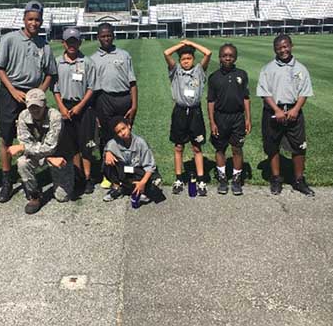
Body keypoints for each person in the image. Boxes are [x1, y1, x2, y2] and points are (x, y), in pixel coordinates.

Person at [0, 1, 57, 203]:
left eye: (37, 19)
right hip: (10, 93)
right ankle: (6, 181)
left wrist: (39, 92)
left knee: (32, 137)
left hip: (33, 96)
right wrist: (12, 90)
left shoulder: (44, 45)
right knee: (6, 137)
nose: (34, 23)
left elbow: (50, 73)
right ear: (24, 19)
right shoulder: (10, 39)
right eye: (30, 19)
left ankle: (29, 177)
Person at [257, 34, 314, 196]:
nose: (283, 50)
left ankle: (299, 180)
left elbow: (304, 92)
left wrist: (296, 109)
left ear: (291, 45)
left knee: (299, 147)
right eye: (279, 48)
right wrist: (276, 109)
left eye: (286, 46)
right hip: (273, 111)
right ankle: (276, 178)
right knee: (273, 145)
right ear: (275, 49)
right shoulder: (267, 69)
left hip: (294, 112)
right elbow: (264, 93)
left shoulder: (301, 68)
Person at [7, 89, 74, 214]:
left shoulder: (54, 116)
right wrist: (47, 158)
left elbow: (50, 147)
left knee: (62, 197)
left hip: (60, 155)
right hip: (45, 156)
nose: (35, 110)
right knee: (22, 162)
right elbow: (24, 141)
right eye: (32, 107)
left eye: (38, 106)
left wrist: (24, 148)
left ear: (45, 104)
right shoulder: (23, 116)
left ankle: (65, 174)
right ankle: (34, 195)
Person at [91, 22, 137, 188]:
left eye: (109, 35)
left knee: (126, 137)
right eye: (103, 36)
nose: (106, 39)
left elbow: (132, 82)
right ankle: (108, 175)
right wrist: (95, 112)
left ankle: (129, 173)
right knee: (106, 138)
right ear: (98, 38)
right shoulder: (93, 59)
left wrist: (134, 105)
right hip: (105, 99)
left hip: (124, 99)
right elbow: (93, 89)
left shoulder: (124, 55)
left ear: (113, 35)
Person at [163, 39, 212, 196]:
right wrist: (182, 45)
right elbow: (166, 53)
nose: (186, 61)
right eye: (183, 59)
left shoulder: (199, 70)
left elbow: (208, 53)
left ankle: (201, 179)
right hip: (179, 112)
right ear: (179, 61)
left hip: (195, 113)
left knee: (197, 147)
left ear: (193, 59)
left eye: (189, 58)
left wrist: (191, 44)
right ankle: (178, 178)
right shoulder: (175, 70)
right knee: (178, 146)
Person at [53, 27, 97, 194]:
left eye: (75, 42)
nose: (72, 45)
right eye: (69, 42)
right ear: (63, 43)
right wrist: (62, 107)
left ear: (80, 42)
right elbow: (55, 88)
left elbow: (91, 87)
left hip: (83, 107)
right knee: (72, 147)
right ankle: (77, 177)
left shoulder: (87, 62)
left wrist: (80, 106)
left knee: (85, 144)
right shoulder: (57, 62)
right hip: (65, 107)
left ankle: (87, 178)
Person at [207, 43, 251, 195]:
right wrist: (212, 122)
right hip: (220, 117)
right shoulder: (213, 78)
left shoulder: (242, 74)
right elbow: (210, 102)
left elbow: (246, 98)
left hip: (237, 117)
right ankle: (222, 179)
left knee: (237, 149)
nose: (227, 58)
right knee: (220, 149)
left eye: (231, 55)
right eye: (224, 55)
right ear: (219, 57)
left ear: (235, 57)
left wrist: (248, 119)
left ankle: (237, 180)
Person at [102, 116, 161, 204]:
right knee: (107, 164)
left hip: (138, 171)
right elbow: (108, 148)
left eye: (123, 128)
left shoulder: (140, 143)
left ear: (129, 126)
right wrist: (107, 153)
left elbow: (150, 167)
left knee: (152, 187)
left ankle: (141, 189)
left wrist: (142, 183)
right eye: (118, 132)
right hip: (126, 170)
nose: (122, 133)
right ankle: (118, 188)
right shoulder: (113, 143)